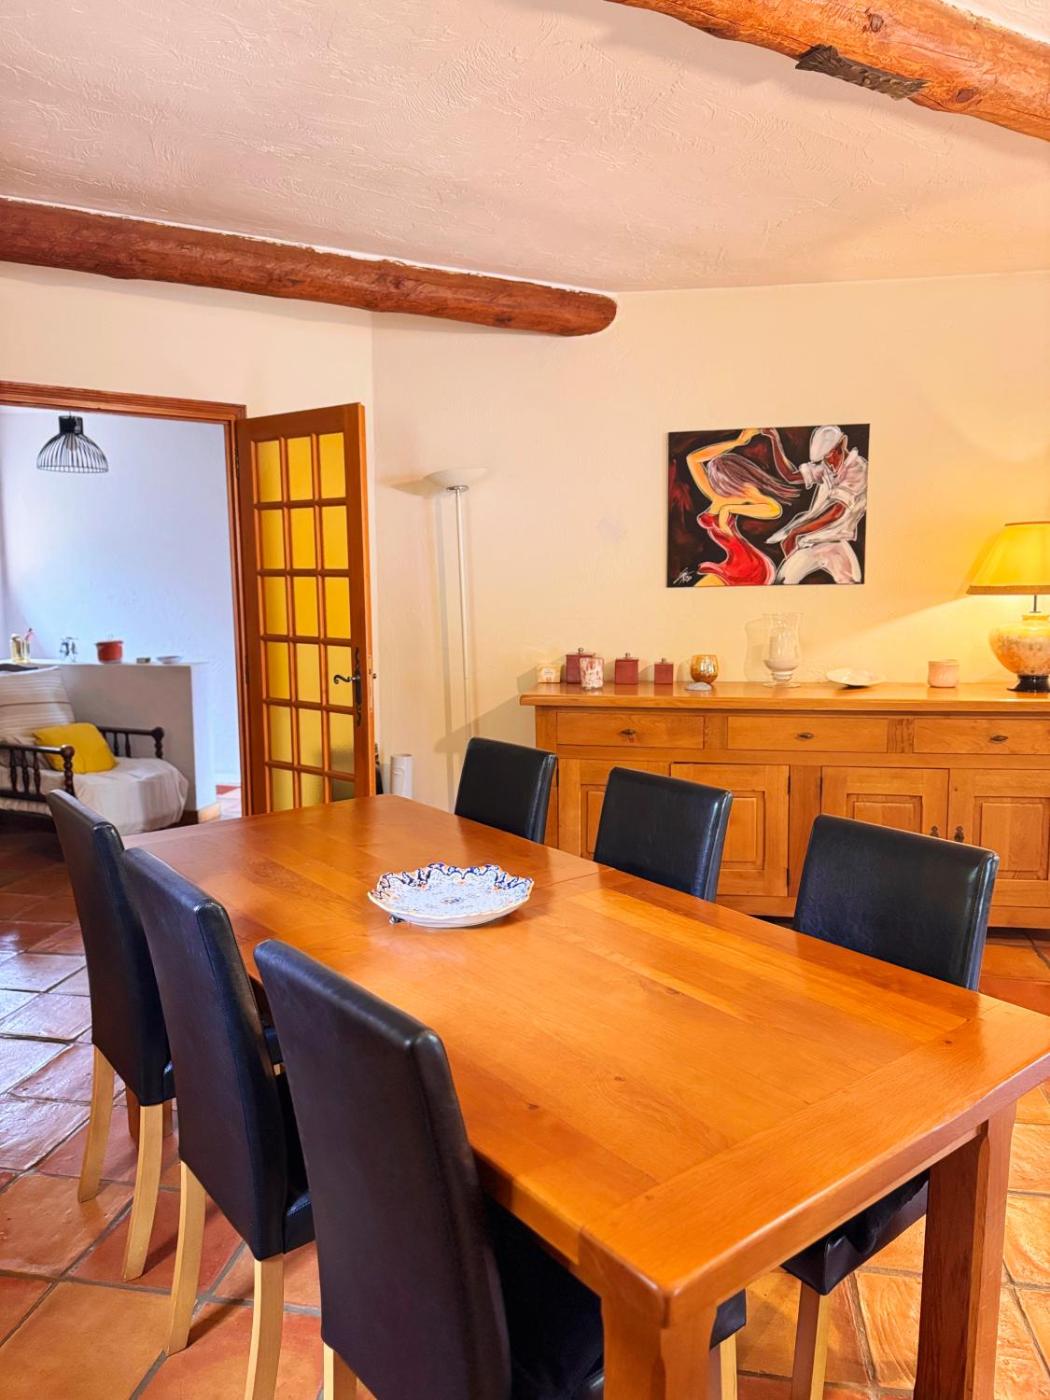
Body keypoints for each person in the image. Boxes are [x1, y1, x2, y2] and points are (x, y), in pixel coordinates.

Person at [684, 428, 798, 587]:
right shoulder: (715, 494)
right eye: (714, 479)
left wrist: (730, 508)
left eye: (720, 480)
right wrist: (738, 442)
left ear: (733, 478)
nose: (715, 483)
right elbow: (693, 459)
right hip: (733, 564)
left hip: (749, 567)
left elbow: (774, 508)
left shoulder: (744, 494)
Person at [762, 425, 867, 585]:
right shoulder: (826, 467)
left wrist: (797, 532)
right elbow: (790, 476)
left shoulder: (858, 469)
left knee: (853, 584)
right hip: (813, 542)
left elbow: (837, 511)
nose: (829, 463)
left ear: (842, 444)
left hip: (836, 542)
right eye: (824, 459)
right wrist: (775, 440)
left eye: (830, 456)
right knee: (782, 581)